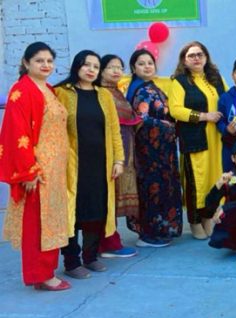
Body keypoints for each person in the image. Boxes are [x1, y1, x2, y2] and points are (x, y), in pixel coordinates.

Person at [0, 42, 71, 291]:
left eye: (50, 61)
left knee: (50, 221)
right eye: (39, 60)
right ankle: (40, 275)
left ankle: (45, 271)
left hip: (55, 170)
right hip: (38, 170)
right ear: (26, 63)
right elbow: (15, 131)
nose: (46, 65)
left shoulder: (48, 89)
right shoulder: (22, 90)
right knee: (37, 224)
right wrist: (28, 170)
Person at [55, 50, 124, 279]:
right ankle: (72, 262)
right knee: (72, 212)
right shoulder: (62, 93)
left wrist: (118, 160)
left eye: (95, 66)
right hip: (72, 165)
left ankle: (91, 257)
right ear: (77, 66)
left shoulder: (103, 94)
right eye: (86, 65)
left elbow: (115, 130)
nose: (91, 69)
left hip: (100, 165)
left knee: (96, 210)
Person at [126, 49, 183, 247]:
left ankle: (160, 229)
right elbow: (139, 118)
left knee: (162, 188)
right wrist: (166, 125)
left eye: (149, 62)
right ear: (134, 68)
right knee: (152, 189)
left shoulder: (152, 87)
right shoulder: (139, 89)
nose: (147, 66)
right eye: (141, 63)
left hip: (162, 150)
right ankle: (148, 233)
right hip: (149, 152)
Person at [170, 41, 226, 240]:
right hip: (195, 138)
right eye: (191, 55)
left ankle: (208, 217)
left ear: (206, 57)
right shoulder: (179, 81)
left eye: (200, 54)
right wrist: (204, 116)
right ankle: (194, 221)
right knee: (196, 182)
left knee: (214, 180)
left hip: (217, 139)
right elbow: (175, 109)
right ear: (184, 60)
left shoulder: (215, 78)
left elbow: (227, 100)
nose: (196, 58)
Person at [97, 54, 139, 257]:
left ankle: (110, 241)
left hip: (123, 149)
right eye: (110, 67)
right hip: (109, 153)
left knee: (113, 196)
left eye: (119, 67)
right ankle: (107, 244)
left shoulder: (117, 92)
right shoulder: (101, 93)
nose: (116, 71)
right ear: (101, 71)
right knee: (108, 197)